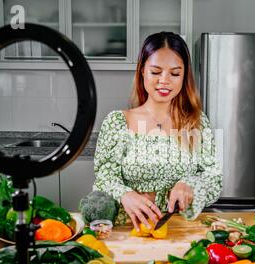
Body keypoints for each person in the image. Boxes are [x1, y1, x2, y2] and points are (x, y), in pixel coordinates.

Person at [93, 31, 222, 231]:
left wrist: (191, 184)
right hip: (128, 228)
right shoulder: (117, 122)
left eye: (175, 73)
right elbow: (105, 176)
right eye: (155, 72)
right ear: (142, 71)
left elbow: (213, 178)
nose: (164, 80)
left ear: (184, 76)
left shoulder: (197, 123)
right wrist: (125, 195)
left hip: (180, 229)